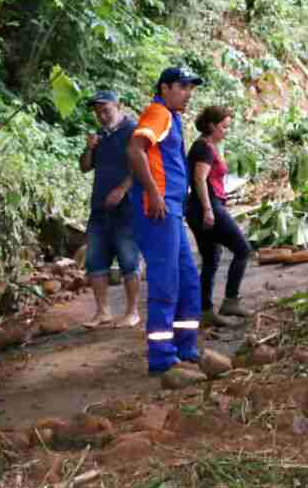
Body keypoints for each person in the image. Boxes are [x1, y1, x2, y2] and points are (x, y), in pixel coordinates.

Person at [126, 67, 207, 386]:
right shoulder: (157, 113)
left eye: (191, 88)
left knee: (188, 280)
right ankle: (161, 357)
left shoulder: (171, 116)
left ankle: (185, 349)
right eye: (183, 87)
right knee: (166, 282)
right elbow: (135, 150)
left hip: (172, 209)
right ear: (165, 88)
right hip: (157, 211)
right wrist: (153, 192)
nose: (189, 93)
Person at [79, 90, 141, 329]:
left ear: (119, 106)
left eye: (106, 110)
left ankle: (132, 312)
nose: (102, 116)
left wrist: (123, 189)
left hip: (126, 209)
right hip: (99, 208)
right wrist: (90, 148)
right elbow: (85, 167)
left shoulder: (133, 131)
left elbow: (144, 166)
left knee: (128, 260)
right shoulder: (99, 136)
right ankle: (102, 312)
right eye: (98, 112)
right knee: (95, 261)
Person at [185, 105, 252, 327]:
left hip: (200, 207)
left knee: (212, 260)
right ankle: (230, 301)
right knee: (242, 250)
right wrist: (208, 209)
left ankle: (205, 311)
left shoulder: (208, 146)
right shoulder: (203, 148)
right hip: (206, 205)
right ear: (211, 126)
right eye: (224, 127)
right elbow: (199, 179)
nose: (226, 131)